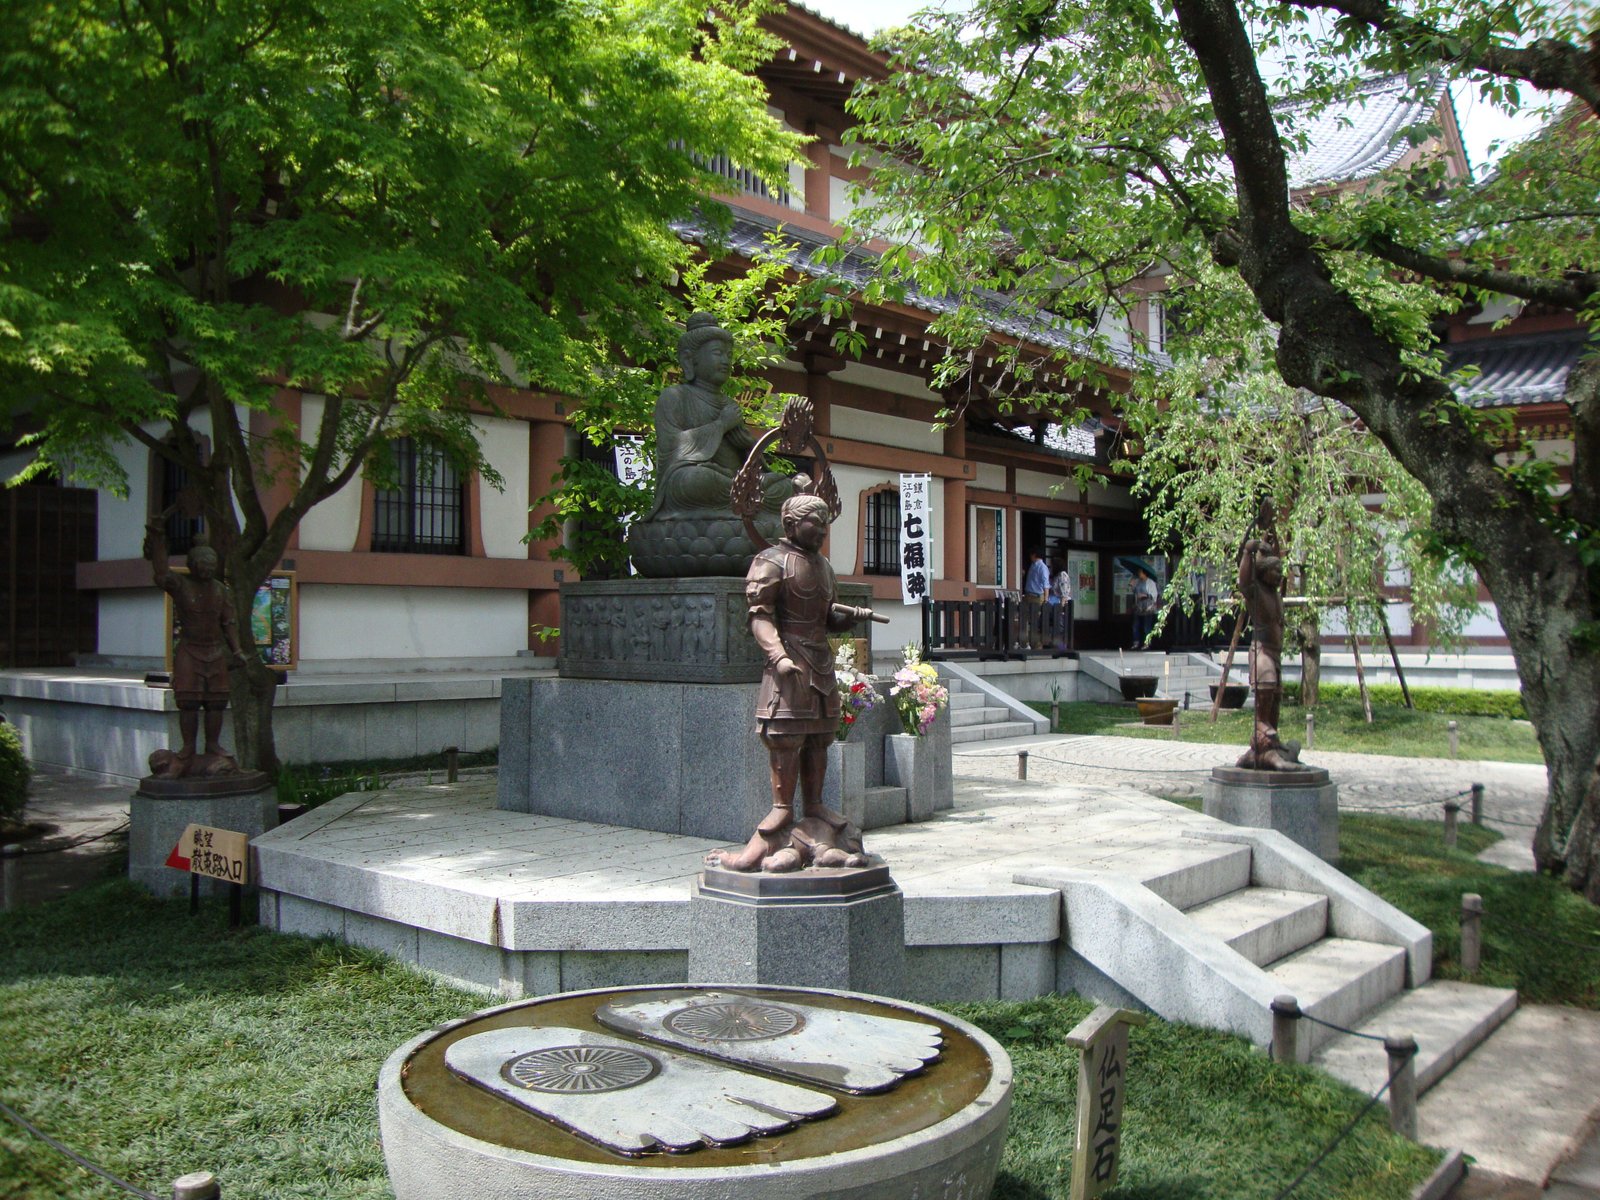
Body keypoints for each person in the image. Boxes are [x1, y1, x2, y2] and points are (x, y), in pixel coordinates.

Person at [712, 493, 877, 873]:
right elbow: (760, 616)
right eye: (813, 524)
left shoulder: (824, 567)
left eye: (824, 524)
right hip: (788, 662)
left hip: (819, 661)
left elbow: (826, 616)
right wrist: (778, 656)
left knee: (819, 736)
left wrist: (847, 619)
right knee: (785, 736)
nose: (820, 531)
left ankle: (815, 803)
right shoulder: (771, 562)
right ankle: (782, 808)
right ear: (789, 524)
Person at [644, 312, 791, 521]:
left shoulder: (729, 404)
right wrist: (721, 425)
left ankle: (741, 499)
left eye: (728, 355)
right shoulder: (675, 396)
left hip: (734, 481)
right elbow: (671, 447)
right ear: (690, 359)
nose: (725, 361)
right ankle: (739, 500)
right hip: (699, 482)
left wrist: (747, 446)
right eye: (717, 353)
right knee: (693, 480)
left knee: (783, 487)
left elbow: (746, 462)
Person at [144, 522, 249, 777]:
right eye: (202, 564)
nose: (207, 569)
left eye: (211, 565)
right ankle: (188, 747)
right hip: (190, 651)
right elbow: (161, 573)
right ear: (192, 564)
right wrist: (158, 539)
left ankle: (212, 744)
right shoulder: (181, 585)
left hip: (215, 652)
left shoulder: (220, 590)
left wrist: (236, 651)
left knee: (215, 703)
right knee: (189, 703)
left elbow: (229, 622)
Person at [1235, 499, 1299, 770]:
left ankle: (1272, 742)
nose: (1279, 575)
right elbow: (1244, 579)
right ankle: (1262, 745)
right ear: (1264, 572)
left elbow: (1279, 551)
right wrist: (1249, 550)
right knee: (1265, 695)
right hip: (1261, 651)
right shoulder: (1256, 592)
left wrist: (1271, 528)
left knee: (1275, 700)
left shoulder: (1275, 595)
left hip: (1275, 651)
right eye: (1275, 571)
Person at [1023, 547, 1050, 650]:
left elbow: (1045, 584)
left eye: (1031, 555)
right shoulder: (1033, 566)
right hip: (1029, 595)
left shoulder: (1042, 567)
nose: (1030, 557)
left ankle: (1037, 645)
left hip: (1037, 596)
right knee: (1025, 619)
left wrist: (1046, 599)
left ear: (1034, 555)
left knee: (1034, 620)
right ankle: (1026, 643)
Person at [1130, 565, 1158, 649]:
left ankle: (1147, 643)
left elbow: (1155, 595)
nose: (1139, 574)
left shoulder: (1150, 582)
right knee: (1136, 625)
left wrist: (1144, 595)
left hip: (1147, 607)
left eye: (1140, 572)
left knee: (1147, 626)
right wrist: (1132, 585)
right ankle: (1136, 642)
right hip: (1139, 606)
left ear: (1144, 573)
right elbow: (1134, 592)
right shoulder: (1138, 581)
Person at [1049, 556, 1073, 650]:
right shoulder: (1057, 575)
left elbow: (1064, 592)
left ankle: (1061, 646)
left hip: (1059, 603)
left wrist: (1062, 606)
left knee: (1060, 625)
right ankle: (1057, 645)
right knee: (1056, 625)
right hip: (1055, 603)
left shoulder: (1062, 575)